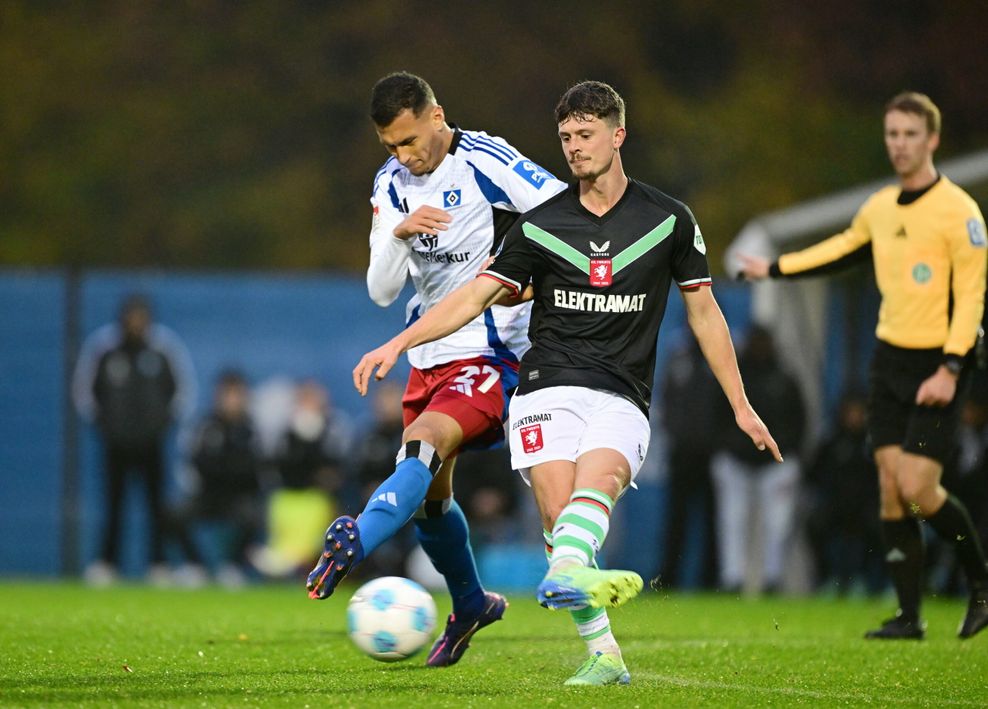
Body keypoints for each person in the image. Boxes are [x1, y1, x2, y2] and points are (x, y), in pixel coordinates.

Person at [352, 80, 782, 685]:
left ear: (617, 135)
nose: (574, 147)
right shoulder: (539, 228)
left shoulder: (669, 221)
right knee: (560, 516)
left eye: (585, 135)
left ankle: (569, 579)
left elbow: (706, 314)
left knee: (595, 487)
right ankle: (603, 650)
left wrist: (740, 404)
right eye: (565, 138)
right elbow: (473, 295)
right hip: (545, 386)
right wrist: (401, 340)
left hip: (623, 391)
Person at [305, 71, 568, 669]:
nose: (406, 155)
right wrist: (395, 232)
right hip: (428, 355)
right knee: (429, 502)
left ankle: (357, 539)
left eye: (411, 140)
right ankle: (471, 602)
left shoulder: (485, 159)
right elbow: (381, 290)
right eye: (392, 146)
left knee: (419, 452)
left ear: (436, 115)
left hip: (491, 351)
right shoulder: (391, 184)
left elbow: (565, 213)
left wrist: (531, 280)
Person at [738, 92, 988, 640]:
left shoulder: (959, 212)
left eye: (909, 135)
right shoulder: (880, 207)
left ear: (933, 141)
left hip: (940, 364)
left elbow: (971, 297)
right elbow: (840, 249)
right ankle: (909, 617)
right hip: (890, 362)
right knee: (890, 489)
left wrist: (950, 367)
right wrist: (774, 268)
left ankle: (981, 583)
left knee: (920, 489)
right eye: (892, 134)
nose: (899, 144)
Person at [72, 293, 196, 585]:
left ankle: (158, 563)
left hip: (152, 444)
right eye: (132, 317)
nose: (137, 323)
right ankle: (106, 563)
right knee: (114, 504)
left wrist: (162, 425)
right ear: (123, 318)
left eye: (142, 317)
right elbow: (84, 392)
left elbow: (183, 390)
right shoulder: (104, 348)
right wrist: (106, 426)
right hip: (115, 444)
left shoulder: (164, 347)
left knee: (156, 506)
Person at [710, 325, 805, 594]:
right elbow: (716, 415)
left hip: (776, 463)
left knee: (777, 525)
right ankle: (732, 579)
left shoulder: (785, 378)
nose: (760, 347)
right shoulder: (735, 379)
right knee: (732, 521)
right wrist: (723, 448)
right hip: (735, 460)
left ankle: (772, 579)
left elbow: (800, 421)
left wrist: (793, 454)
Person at [166, 369, 263, 588]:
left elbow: (255, 469)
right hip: (208, 495)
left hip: (238, 497)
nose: (231, 401)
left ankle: (233, 566)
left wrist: (229, 471)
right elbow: (196, 462)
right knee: (174, 513)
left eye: (236, 395)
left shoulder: (250, 429)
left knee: (253, 516)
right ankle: (195, 565)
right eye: (226, 395)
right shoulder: (206, 426)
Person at [804, 389, 884, 596]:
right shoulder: (832, 441)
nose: (855, 417)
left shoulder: (873, 444)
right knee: (815, 524)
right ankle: (827, 579)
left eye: (859, 412)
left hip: (866, 507)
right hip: (836, 505)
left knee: (881, 528)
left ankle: (867, 581)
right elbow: (812, 474)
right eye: (851, 412)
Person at [658, 335, 721, 589]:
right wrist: (676, 434)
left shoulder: (720, 357)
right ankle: (669, 576)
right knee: (676, 519)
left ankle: (711, 579)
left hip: (711, 454)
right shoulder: (679, 360)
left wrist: (717, 441)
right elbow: (667, 400)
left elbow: (723, 408)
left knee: (712, 521)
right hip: (682, 452)